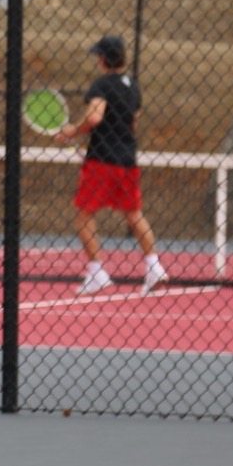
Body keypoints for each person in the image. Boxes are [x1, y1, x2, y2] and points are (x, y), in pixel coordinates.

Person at [57, 34, 166, 295]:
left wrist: (72, 131)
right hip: (127, 159)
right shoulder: (133, 87)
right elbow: (132, 123)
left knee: (84, 214)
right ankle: (154, 267)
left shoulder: (101, 85)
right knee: (134, 214)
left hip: (102, 161)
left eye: (99, 56)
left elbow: (95, 117)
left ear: (104, 59)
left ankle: (96, 272)